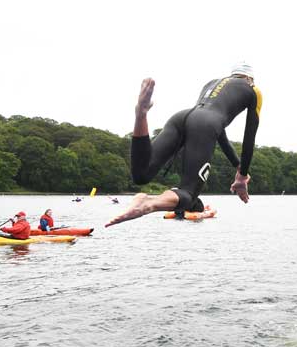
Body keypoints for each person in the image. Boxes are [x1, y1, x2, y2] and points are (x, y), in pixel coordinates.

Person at [106, 62, 262, 227]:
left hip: (182, 117)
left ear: (232, 74)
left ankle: (141, 114)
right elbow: (249, 138)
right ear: (250, 78)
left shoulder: (212, 83)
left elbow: (218, 130)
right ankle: (147, 203)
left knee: (141, 174)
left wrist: (237, 165)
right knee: (189, 195)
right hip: (205, 124)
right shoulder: (253, 90)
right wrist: (243, 176)